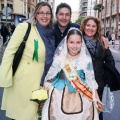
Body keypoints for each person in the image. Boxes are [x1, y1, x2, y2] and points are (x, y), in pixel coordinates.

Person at [0, 2, 55, 120]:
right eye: (41, 13)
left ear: (51, 16)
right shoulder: (25, 27)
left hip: (42, 81)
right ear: (35, 14)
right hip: (24, 82)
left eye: (47, 13)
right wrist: (5, 78)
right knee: (23, 116)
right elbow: (9, 52)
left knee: (37, 115)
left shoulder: (51, 33)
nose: (44, 16)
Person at [42, 28, 104, 120]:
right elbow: (51, 76)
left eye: (78, 42)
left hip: (82, 93)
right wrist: (43, 93)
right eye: (71, 42)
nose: (75, 46)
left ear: (82, 43)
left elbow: (90, 79)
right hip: (59, 92)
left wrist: (96, 97)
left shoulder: (85, 59)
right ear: (66, 42)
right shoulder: (60, 58)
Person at [80, 16, 115, 120]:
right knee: (81, 113)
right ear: (84, 26)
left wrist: (107, 48)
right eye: (88, 25)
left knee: (97, 114)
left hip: (99, 85)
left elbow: (111, 63)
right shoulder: (78, 41)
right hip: (81, 85)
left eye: (93, 26)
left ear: (97, 28)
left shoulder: (102, 42)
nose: (90, 28)